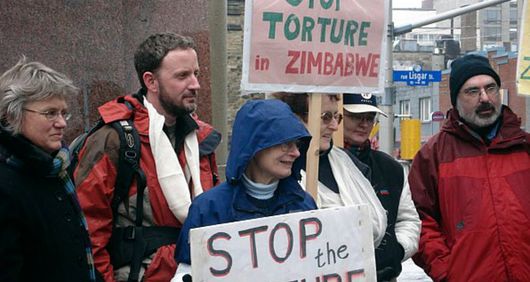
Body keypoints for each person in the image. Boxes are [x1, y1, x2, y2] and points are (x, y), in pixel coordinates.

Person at [74, 33, 221, 281]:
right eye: (182, 76)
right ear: (151, 81)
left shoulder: (200, 139)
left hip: (202, 269)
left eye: (196, 73)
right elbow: (88, 229)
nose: (195, 84)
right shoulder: (114, 139)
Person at [409, 54, 530, 281]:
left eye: (491, 88)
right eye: (472, 91)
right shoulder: (433, 155)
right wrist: (447, 271)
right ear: (456, 100)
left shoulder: (524, 146)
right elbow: (419, 221)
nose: (485, 98)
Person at [171, 99, 317, 281]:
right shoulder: (209, 208)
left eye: (297, 144)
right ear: (255, 144)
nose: (295, 152)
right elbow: (186, 272)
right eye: (285, 143)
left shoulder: (304, 204)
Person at [0, 58, 99, 281]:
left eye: (64, 113)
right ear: (13, 114)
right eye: (50, 113)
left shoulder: (58, 168)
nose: (62, 122)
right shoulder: (6, 182)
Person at [273, 92, 387, 247]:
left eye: (336, 117)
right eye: (326, 117)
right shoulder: (276, 172)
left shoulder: (350, 164)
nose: (334, 126)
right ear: (296, 117)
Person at [343, 93, 420, 282]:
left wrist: (397, 249)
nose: (364, 124)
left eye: (369, 118)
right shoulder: (319, 165)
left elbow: (409, 220)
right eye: (355, 117)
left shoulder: (391, 168)